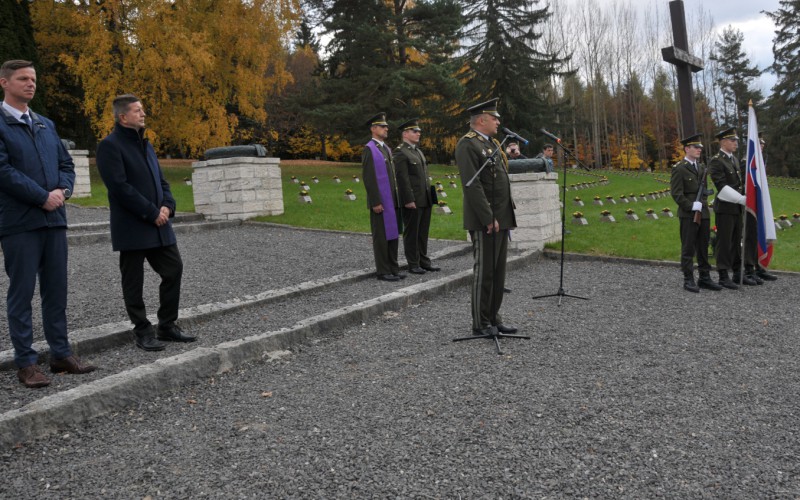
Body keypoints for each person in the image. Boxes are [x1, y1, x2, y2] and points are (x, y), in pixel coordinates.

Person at [0, 59, 96, 387]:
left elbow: (66, 165)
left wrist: (62, 190)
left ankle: (60, 355)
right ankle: (26, 363)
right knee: (21, 293)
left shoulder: (46, 124)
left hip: (54, 220)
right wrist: (41, 196)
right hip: (20, 223)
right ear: (4, 82)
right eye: (23, 79)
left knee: (56, 291)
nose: (31, 84)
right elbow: (3, 171)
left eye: (34, 79)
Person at [96, 94, 196, 351]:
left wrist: (168, 205)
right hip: (133, 226)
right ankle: (142, 331)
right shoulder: (110, 146)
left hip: (159, 225)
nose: (143, 114)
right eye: (138, 110)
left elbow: (161, 181)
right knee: (133, 281)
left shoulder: (146, 144)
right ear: (123, 117)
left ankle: (166, 326)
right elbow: (119, 187)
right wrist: (151, 212)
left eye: (142, 109)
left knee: (173, 269)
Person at [455, 98, 518, 336]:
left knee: (498, 271)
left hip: (501, 217)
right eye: (494, 118)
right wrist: (488, 217)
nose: (498, 121)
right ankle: (480, 323)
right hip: (486, 220)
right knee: (485, 271)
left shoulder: (493, 145)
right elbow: (473, 186)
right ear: (481, 120)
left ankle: (494, 317)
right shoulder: (467, 145)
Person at [670, 134, 723, 293]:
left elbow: (704, 191)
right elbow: (677, 194)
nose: (699, 149)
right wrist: (691, 206)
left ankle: (705, 277)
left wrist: (703, 203)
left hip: (704, 213)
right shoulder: (679, 169)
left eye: (700, 147)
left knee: (703, 245)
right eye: (695, 147)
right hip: (689, 215)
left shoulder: (701, 168)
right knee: (688, 247)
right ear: (687, 149)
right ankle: (688, 279)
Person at [393, 118, 440, 275]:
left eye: (419, 131)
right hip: (413, 200)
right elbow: (402, 179)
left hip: (425, 198)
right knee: (412, 232)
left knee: (423, 232)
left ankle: (424, 261)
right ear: (405, 133)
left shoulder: (417, 151)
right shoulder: (400, 151)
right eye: (415, 131)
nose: (418, 133)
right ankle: (413, 263)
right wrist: (408, 199)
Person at [707, 127, 752, 288]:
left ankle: (737, 273)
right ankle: (723, 275)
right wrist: (741, 199)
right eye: (732, 140)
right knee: (724, 242)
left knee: (736, 241)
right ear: (723, 142)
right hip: (726, 208)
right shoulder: (717, 160)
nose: (736, 143)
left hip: (737, 208)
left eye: (736, 141)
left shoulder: (733, 159)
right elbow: (721, 185)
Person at [362, 112, 404, 282]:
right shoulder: (369, 149)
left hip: (391, 200)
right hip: (380, 202)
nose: (386, 128)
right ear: (373, 129)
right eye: (382, 126)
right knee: (381, 237)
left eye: (386, 126)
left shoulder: (386, 148)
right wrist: (375, 201)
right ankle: (383, 270)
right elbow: (369, 178)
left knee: (393, 235)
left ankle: (393, 268)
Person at [743, 135, 777, 283]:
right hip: (750, 206)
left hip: (760, 205)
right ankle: (750, 268)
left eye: (762, 144)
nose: (762, 146)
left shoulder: (760, 163)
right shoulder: (745, 163)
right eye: (759, 143)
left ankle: (760, 267)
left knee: (760, 234)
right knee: (751, 237)